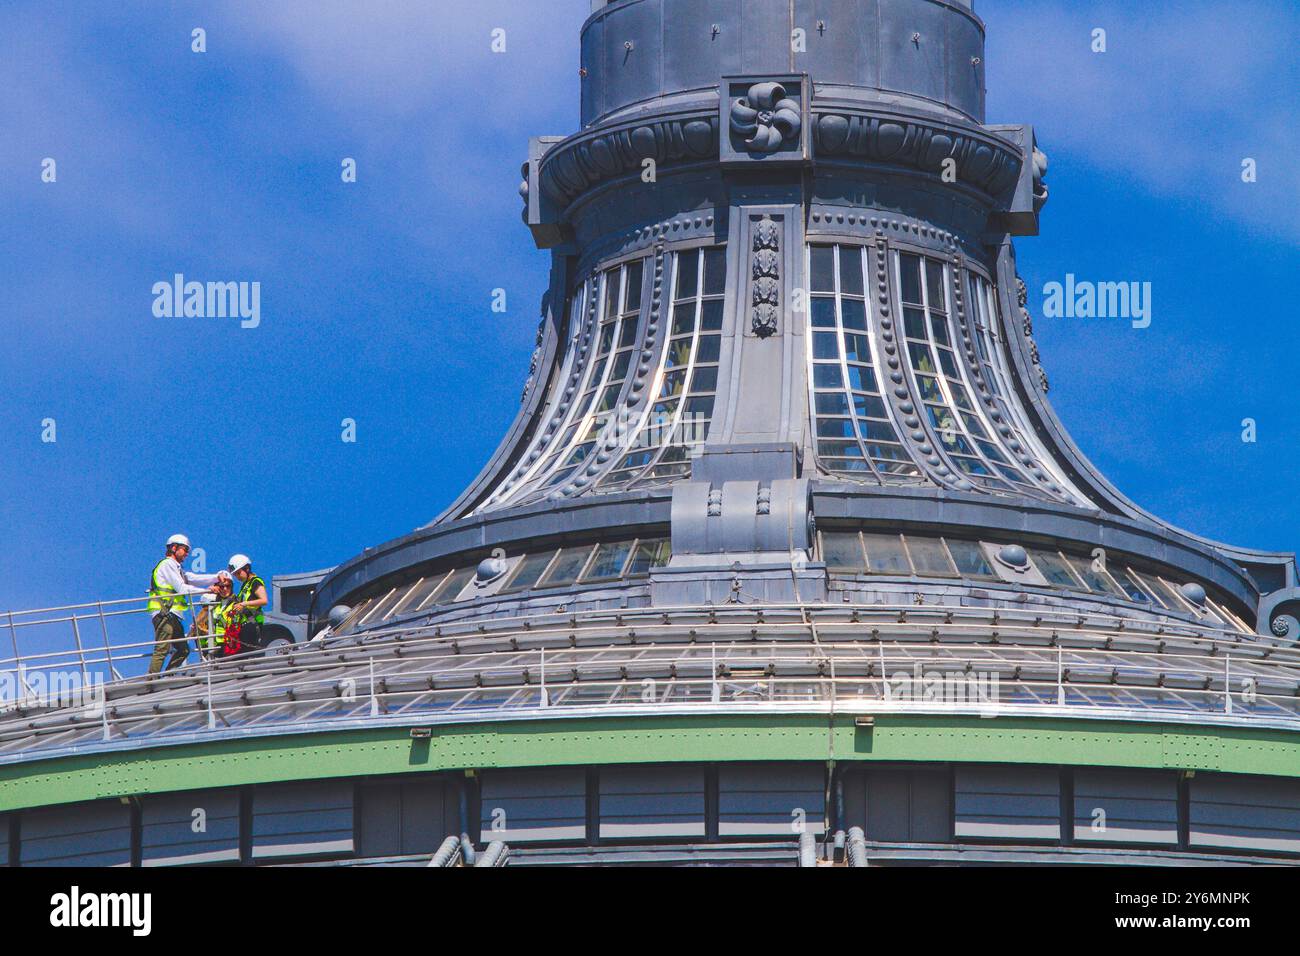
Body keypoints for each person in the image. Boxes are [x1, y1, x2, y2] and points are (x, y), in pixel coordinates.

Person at [147, 534, 224, 674]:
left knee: (183, 649)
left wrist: (216, 577)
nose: (187, 553)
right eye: (185, 549)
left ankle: (168, 675)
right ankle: (151, 681)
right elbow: (182, 588)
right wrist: (208, 590)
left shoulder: (177, 569)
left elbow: (192, 578)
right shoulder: (167, 564)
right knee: (162, 648)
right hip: (163, 614)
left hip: (172, 615)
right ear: (174, 548)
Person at [226, 554, 269, 652]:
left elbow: (264, 600)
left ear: (247, 568)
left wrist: (244, 604)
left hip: (253, 624)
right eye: (235, 574)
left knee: (250, 654)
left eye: (238, 573)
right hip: (245, 625)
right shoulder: (245, 585)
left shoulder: (256, 582)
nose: (237, 576)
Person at [194, 572, 235, 660]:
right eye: (221, 586)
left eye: (228, 586)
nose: (225, 589)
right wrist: (210, 589)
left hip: (229, 644)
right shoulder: (214, 603)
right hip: (214, 645)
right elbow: (204, 598)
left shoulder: (236, 602)